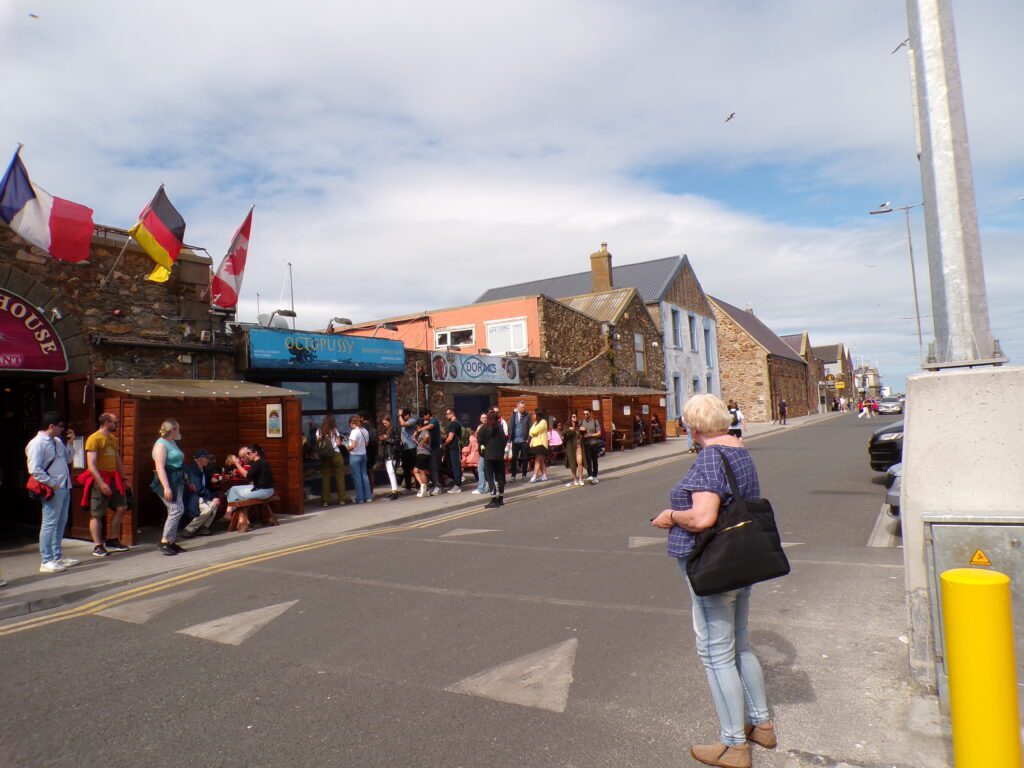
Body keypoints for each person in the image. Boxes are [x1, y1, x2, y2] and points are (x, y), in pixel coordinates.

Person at [651, 394, 775, 767]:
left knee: (715, 654)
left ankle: (734, 745)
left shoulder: (708, 458)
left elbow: (703, 518)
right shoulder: (739, 450)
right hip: (743, 559)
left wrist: (671, 515)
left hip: (714, 565)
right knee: (740, 645)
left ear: (692, 427)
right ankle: (762, 725)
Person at [26, 411, 78, 573]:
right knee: (49, 524)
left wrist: (70, 443)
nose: (63, 430)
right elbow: (34, 469)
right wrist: (52, 483)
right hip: (53, 488)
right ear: (51, 426)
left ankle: (57, 556)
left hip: (64, 486)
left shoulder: (56, 441)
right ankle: (46, 559)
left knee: (61, 522)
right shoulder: (37, 443)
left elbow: (68, 459)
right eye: (61, 426)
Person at [81, 412, 131, 557]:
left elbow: (118, 460)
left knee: (122, 507)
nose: (117, 423)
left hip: (113, 477)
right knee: (97, 514)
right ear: (106, 423)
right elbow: (91, 465)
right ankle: (97, 546)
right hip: (100, 478)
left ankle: (113, 539)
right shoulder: (94, 439)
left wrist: (124, 479)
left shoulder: (112, 439)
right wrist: (101, 483)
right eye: (115, 421)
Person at [152, 419, 187, 556]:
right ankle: (164, 541)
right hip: (166, 480)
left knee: (177, 509)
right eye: (177, 429)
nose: (179, 431)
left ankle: (171, 541)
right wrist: (166, 487)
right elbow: (160, 467)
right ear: (172, 430)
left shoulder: (172, 442)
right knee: (176, 509)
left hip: (177, 479)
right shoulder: (160, 445)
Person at [225, 444, 275, 531]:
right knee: (233, 490)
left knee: (234, 492)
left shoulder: (257, 464)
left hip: (263, 492)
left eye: (248, 453)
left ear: (255, 453)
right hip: (268, 490)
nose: (247, 455)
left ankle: (234, 515)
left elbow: (246, 476)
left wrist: (236, 463)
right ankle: (234, 514)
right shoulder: (263, 462)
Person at [182, 449, 220, 538]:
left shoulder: (204, 470)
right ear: (199, 459)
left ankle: (204, 527)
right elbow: (198, 488)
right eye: (206, 458)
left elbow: (206, 484)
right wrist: (212, 496)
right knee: (207, 509)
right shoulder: (192, 470)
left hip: (201, 496)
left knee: (215, 504)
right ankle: (189, 529)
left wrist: (212, 480)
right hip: (192, 497)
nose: (208, 460)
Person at [316, 414, 351, 507]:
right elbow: (339, 443)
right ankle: (342, 499)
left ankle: (325, 501)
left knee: (325, 477)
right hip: (336, 454)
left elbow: (318, 443)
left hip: (325, 457)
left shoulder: (319, 431)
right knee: (340, 477)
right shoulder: (334, 430)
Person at [478, 410, 508, 508]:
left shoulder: (483, 428)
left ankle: (493, 499)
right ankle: (501, 499)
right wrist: (501, 451)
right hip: (499, 455)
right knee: (500, 477)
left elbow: (480, 441)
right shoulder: (499, 427)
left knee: (490, 477)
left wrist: (482, 452)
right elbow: (503, 441)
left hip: (488, 455)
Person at [416, 409, 443, 495]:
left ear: (428, 414)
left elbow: (430, 427)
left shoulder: (433, 420)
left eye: (424, 416)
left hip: (435, 448)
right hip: (431, 449)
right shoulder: (428, 422)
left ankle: (438, 487)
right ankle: (435, 485)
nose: (424, 418)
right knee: (431, 468)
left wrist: (420, 430)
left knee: (433, 468)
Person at [346, 415, 372, 503]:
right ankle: (368, 496)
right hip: (363, 455)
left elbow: (353, 446)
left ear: (352, 423)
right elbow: (366, 444)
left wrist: (346, 448)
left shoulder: (354, 432)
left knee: (357, 477)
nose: (350, 426)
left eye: (350, 424)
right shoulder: (365, 431)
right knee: (364, 476)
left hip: (355, 455)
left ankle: (360, 498)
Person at [378, 414, 401, 500]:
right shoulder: (386, 430)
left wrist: (386, 438)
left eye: (386, 423)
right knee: (390, 473)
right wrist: (382, 439)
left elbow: (397, 441)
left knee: (391, 472)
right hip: (387, 453)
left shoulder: (394, 429)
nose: (384, 425)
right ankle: (393, 490)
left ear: (390, 422)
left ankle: (395, 492)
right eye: (383, 423)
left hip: (392, 454)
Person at [509, 400, 532, 481]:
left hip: (524, 440)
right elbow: (510, 428)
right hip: (515, 440)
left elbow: (530, 428)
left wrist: (528, 439)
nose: (523, 409)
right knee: (514, 458)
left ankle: (524, 474)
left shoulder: (527, 415)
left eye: (524, 407)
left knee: (525, 458)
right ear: (517, 406)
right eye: (522, 407)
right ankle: (513, 476)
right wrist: (509, 441)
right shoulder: (513, 416)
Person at [579, 407, 602, 484]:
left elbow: (599, 433)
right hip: (586, 444)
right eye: (584, 414)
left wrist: (590, 435)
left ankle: (595, 476)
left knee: (594, 461)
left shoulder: (595, 421)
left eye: (587, 414)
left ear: (590, 413)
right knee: (588, 461)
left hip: (594, 444)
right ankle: (590, 475)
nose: (585, 415)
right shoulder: (582, 422)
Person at [443, 408, 464, 493]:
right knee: (453, 466)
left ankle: (458, 485)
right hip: (454, 447)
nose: (446, 416)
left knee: (456, 466)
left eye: (447, 414)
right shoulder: (456, 423)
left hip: (454, 447)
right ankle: (456, 482)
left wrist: (444, 445)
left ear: (452, 414)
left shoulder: (453, 424)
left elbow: (450, 437)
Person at [562, 412, 584, 487]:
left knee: (580, 462)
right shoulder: (567, 426)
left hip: (578, 446)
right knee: (573, 464)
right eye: (573, 417)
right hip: (570, 447)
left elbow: (583, 434)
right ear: (570, 418)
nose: (575, 418)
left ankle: (580, 479)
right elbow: (563, 433)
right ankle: (575, 479)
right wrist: (569, 430)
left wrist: (584, 430)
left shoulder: (579, 425)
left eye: (576, 416)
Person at [399, 408, 419, 491]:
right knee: (406, 468)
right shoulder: (404, 421)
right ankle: (408, 486)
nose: (403, 417)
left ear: (407, 415)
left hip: (412, 447)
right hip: (405, 448)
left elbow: (403, 424)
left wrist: (399, 415)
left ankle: (419, 485)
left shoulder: (412, 420)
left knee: (414, 467)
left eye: (404, 416)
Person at [528, 408, 549, 483]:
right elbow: (530, 431)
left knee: (537, 460)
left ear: (538, 415)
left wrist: (533, 432)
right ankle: (544, 475)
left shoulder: (543, 422)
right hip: (536, 444)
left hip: (542, 444)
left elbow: (534, 432)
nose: (533, 415)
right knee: (541, 461)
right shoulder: (535, 423)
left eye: (534, 414)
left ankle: (534, 476)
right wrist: (533, 432)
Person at [470, 413, 489, 495]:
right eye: (482, 418)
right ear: (480, 419)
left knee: (480, 469)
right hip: (486, 451)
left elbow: (480, 439)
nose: (484, 419)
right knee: (487, 469)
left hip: (484, 451)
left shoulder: (483, 427)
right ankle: (491, 485)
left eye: (485, 418)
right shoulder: (486, 426)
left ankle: (482, 488)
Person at [413, 428, 432, 497]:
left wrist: (423, 443)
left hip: (423, 454)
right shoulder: (421, 433)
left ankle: (425, 490)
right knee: (415, 471)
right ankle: (423, 486)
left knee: (421, 471)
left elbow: (427, 436)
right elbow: (420, 444)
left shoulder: (425, 431)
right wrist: (415, 439)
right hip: (421, 453)